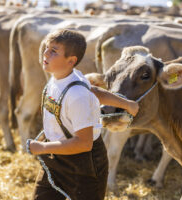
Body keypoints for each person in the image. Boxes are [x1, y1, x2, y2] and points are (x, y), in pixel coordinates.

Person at [28, 29, 139, 200]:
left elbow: (84, 143)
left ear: (71, 60)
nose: (46, 53)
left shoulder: (76, 95)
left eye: (54, 51)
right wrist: (126, 103)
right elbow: (93, 90)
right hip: (58, 155)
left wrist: (42, 148)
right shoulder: (61, 77)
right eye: (47, 48)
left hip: (85, 164)